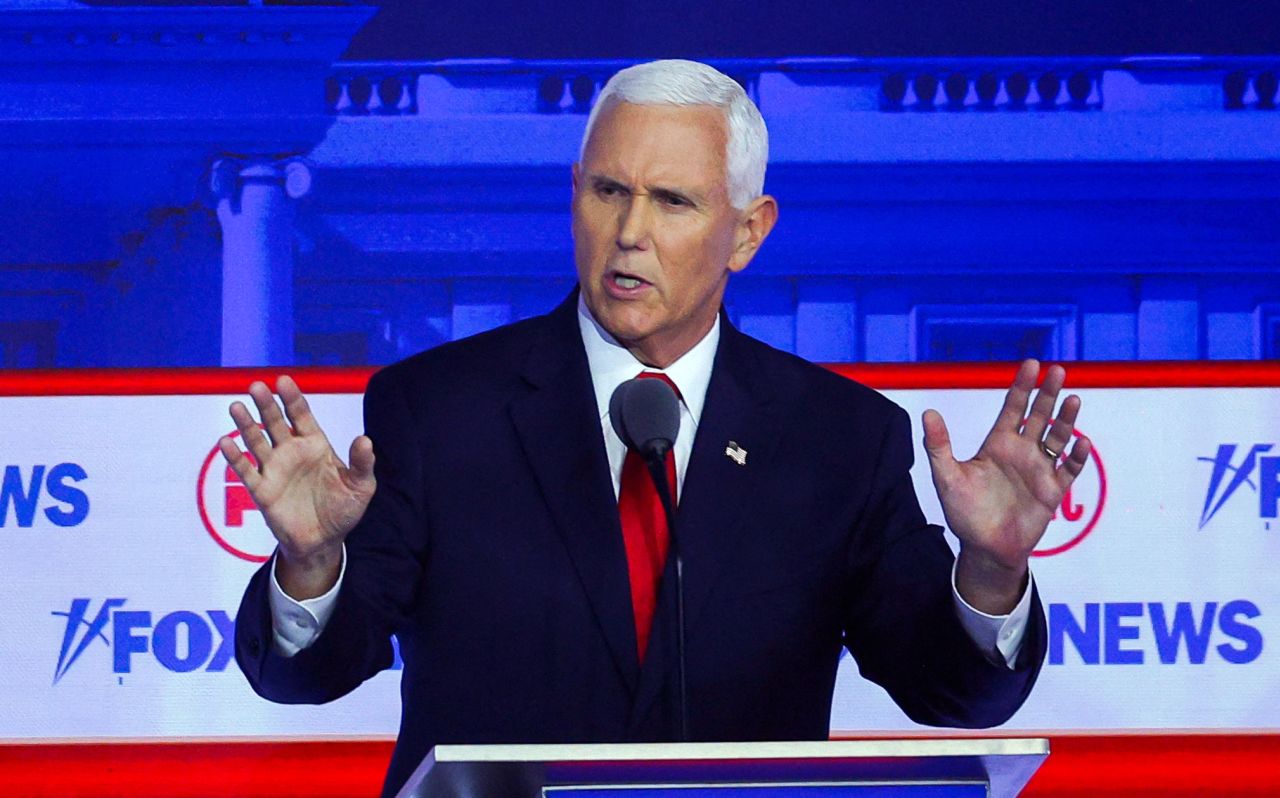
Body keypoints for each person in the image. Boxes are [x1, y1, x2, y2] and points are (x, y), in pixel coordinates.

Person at [225, 60, 1091, 797]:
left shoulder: (839, 438)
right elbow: (310, 671)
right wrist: (310, 565)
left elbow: (952, 694)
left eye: (673, 201)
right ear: (575, 195)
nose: (630, 234)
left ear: (747, 232)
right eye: (608, 191)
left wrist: (990, 569)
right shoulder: (438, 409)